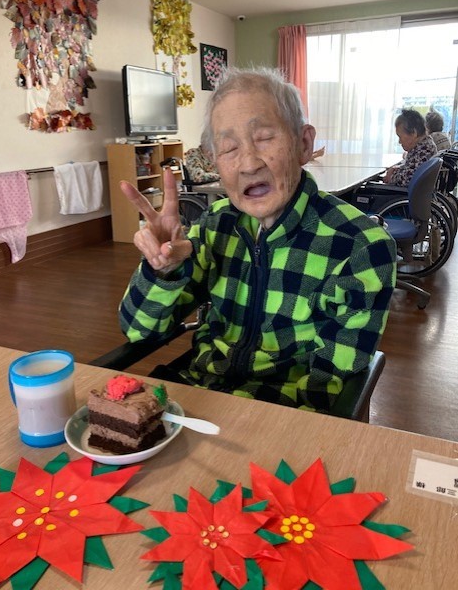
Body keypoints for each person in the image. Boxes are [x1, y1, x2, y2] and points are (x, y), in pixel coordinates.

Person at [118, 67, 396, 411]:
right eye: (229, 147)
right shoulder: (214, 226)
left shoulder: (360, 246)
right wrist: (162, 271)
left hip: (282, 411)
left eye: (264, 137)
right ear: (215, 162)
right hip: (197, 395)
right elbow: (138, 331)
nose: (248, 164)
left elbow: (328, 388)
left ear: (303, 144)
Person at [383, 109, 437, 186]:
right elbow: (412, 169)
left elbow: (406, 180)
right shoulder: (424, 145)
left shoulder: (423, 151)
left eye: (400, 137)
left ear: (414, 133)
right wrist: (398, 169)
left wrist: (390, 177)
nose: (399, 142)